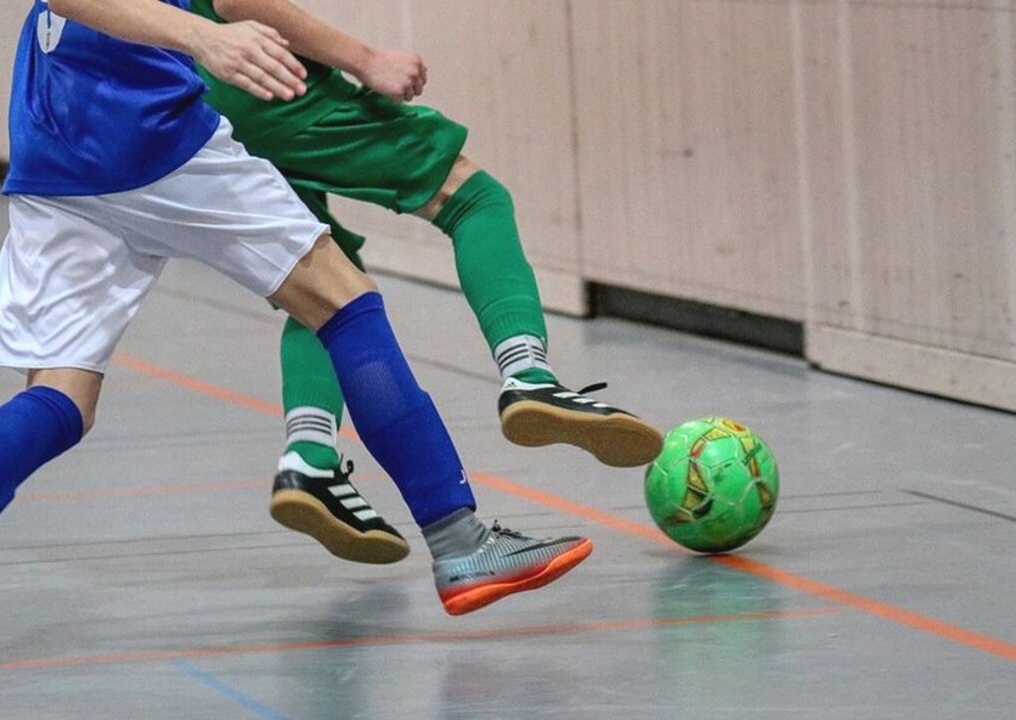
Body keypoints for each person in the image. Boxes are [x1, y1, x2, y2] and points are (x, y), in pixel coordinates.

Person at [0, 0, 592, 692]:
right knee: (344, 301)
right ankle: (458, 539)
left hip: (55, 139)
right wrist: (204, 35)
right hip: (144, 130)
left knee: (60, 396)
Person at [188, 0, 664, 564]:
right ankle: (528, 374)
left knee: (322, 284)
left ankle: (310, 456)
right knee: (472, 197)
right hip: (264, 78)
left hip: (194, 98)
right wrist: (366, 60)